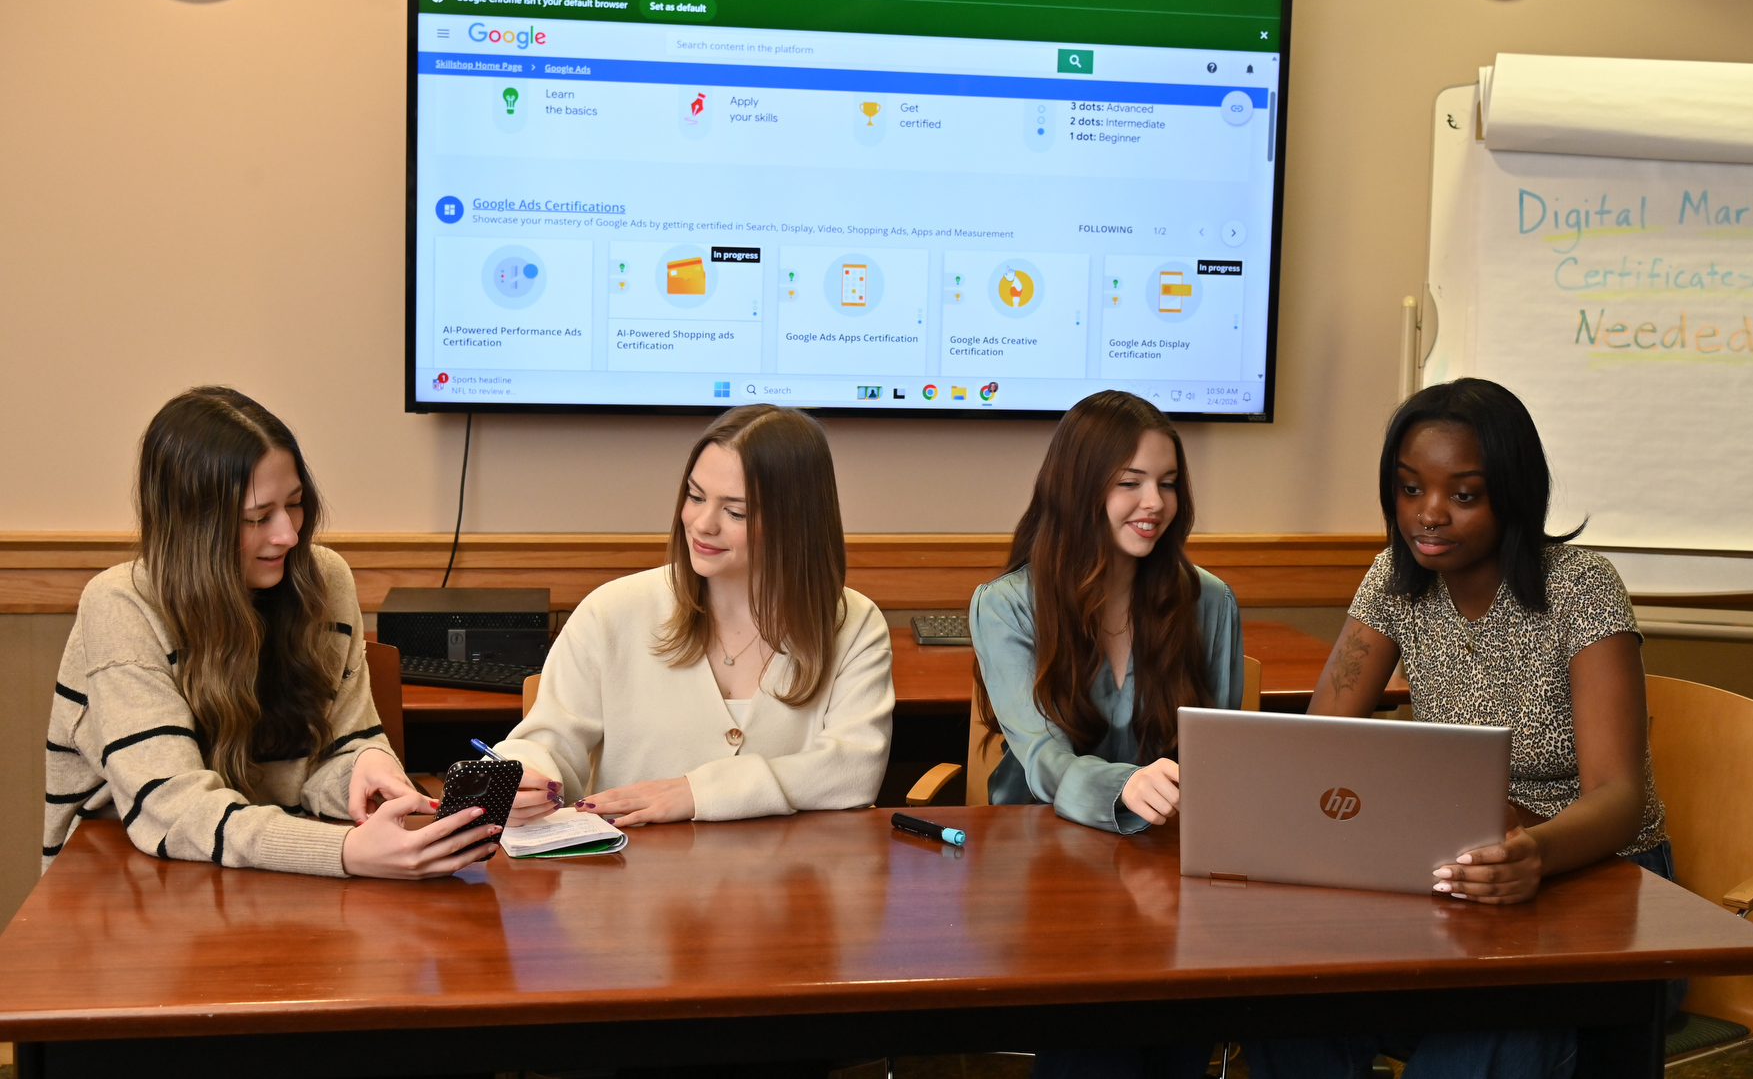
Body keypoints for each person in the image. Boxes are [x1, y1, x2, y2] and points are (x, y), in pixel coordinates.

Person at [1244, 377, 1670, 1079]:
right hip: (1453, 880)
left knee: (1473, 1052)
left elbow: (1620, 798)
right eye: (1411, 490)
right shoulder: (1395, 578)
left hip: (1601, 884)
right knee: (1289, 1009)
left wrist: (1532, 852)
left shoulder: (1581, 588)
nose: (1429, 515)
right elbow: (1322, 745)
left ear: (1514, 494)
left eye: (1463, 495)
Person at [44, 387, 498, 879]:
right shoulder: (122, 604)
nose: (288, 534)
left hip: (270, 871)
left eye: (296, 504)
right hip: (125, 882)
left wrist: (365, 763)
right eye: (257, 518)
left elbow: (329, 755)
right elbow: (173, 810)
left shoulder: (324, 580)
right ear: (193, 527)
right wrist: (343, 851)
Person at [497, 405, 893, 826]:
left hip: (787, 884)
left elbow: (854, 769)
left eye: (736, 511)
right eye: (695, 496)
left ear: (796, 522)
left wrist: (698, 792)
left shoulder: (854, 624)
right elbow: (546, 743)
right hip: (629, 879)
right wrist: (519, 776)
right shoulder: (610, 611)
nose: (702, 524)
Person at [971, 389, 1243, 833]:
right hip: (1035, 844)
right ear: (1077, 489)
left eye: (1168, 482)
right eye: (1130, 482)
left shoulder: (1210, 601)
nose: (1155, 502)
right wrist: (1126, 785)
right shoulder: (1006, 605)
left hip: (1163, 845)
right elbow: (1043, 758)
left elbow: (1217, 757)